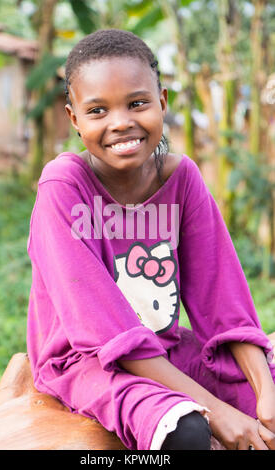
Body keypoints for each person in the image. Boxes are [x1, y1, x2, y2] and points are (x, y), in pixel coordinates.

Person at [26, 29, 275, 451]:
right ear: (74, 119)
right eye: (98, 110)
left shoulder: (182, 179)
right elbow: (105, 333)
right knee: (188, 430)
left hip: (167, 349)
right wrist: (220, 413)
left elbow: (224, 306)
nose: (121, 122)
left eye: (137, 103)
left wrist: (266, 394)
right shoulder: (64, 186)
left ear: (162, 101)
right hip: (89, 362)